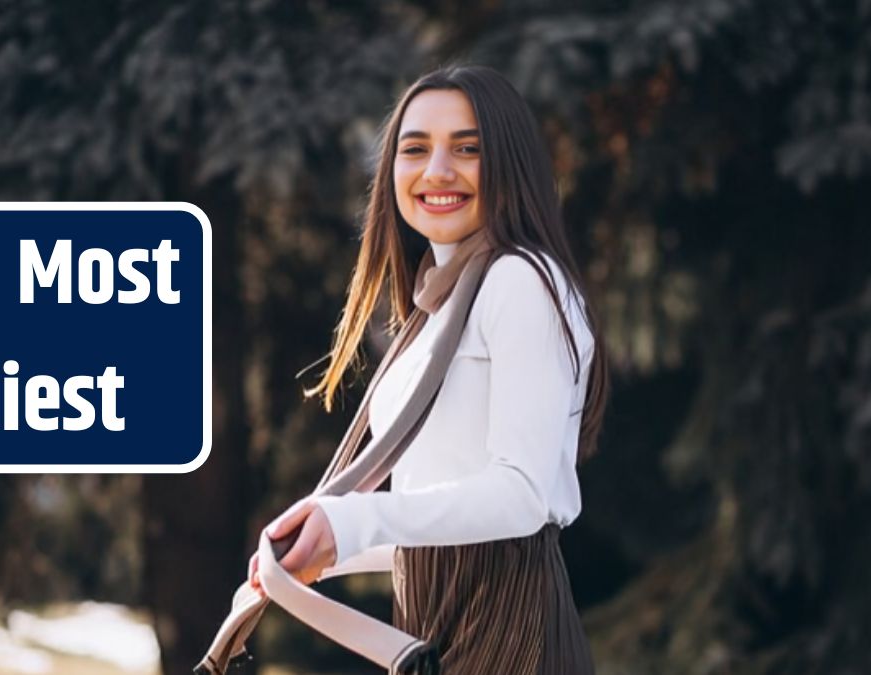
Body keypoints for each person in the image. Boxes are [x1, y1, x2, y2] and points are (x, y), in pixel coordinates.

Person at [253, 64, 608, 674]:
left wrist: (356, 518)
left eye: (467, 149)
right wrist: (326, 548)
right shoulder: (436, 307)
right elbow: (441, 519)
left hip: (510, 634)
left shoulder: (520, 281)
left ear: (509, 164)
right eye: (415, 149)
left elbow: (521, 496)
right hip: (436, 633)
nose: (437, 170)